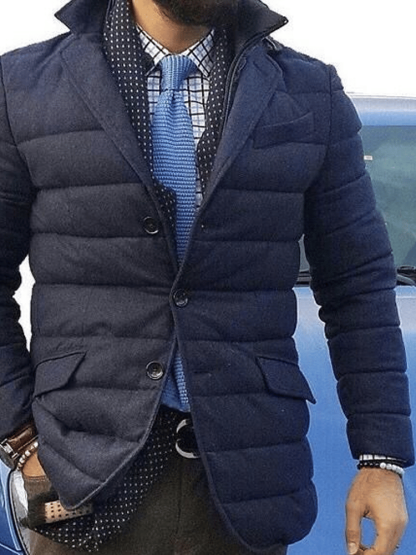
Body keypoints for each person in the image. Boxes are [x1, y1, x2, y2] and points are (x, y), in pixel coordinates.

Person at [0, 0, 413, 553]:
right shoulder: (23, 86)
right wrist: (22, 440)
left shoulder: (309, 92)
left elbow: (358, 286)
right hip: (84, 475)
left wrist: (381, 459)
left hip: (247, 480)